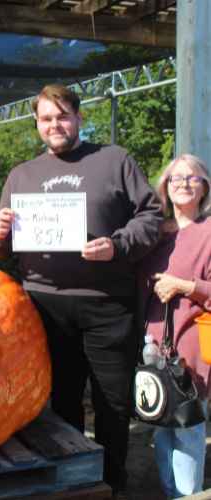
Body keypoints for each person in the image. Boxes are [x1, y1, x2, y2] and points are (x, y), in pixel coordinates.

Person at [0, 83, 163, 498]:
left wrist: (118, 245)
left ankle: (112, 482)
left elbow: (152, 216)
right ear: (37, 124)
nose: (55, 124)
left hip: (107, 306)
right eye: (46, 118)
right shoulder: (22, 175)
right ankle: (76, 483)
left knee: (112, 403)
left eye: (62, 115)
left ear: (79, 118)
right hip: (44, 306)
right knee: (61, 402)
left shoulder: (113, 159)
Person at [138, 154, 211, 498]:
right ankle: (172, 492)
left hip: (193, 344)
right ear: (165, 187)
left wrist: (185, 286)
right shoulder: (154, 234)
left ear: (204, 187)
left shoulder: (210, 231)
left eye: (192, 178)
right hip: (153, 343)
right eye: (176, 178)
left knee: (188, 427)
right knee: (160, 422)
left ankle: (187, 496)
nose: (183, 183)